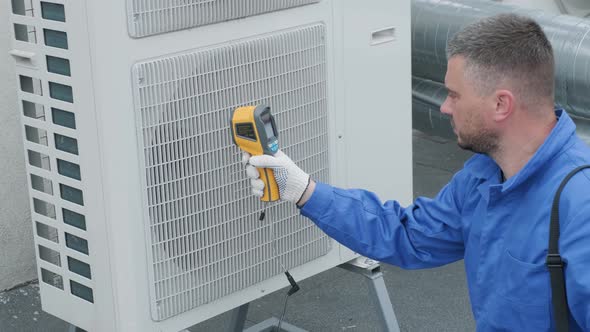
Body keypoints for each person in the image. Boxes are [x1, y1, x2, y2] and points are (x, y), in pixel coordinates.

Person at [242, 14, 590, 331]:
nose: (444, 106)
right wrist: (303, 189)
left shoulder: (580, 205)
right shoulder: (483, 177)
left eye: (454, 95)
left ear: (501, 104)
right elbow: (407, 235)